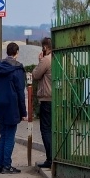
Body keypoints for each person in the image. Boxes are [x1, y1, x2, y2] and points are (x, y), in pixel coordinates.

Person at [0, 42, 28, 174]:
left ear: (7, 52)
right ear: (17, 53)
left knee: (3, 136)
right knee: (9, 137)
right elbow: (20, 92)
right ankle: (6, 166)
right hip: (12, 107)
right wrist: (24, 112)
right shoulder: (18, 69)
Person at [32, 37, 53, 169]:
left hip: (47, 99)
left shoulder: (46, 60)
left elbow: (35, 74)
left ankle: (50, 159)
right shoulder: (60, 58)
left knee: (45, 129)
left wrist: (40, 60)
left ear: (45, 47)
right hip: (59, 99)